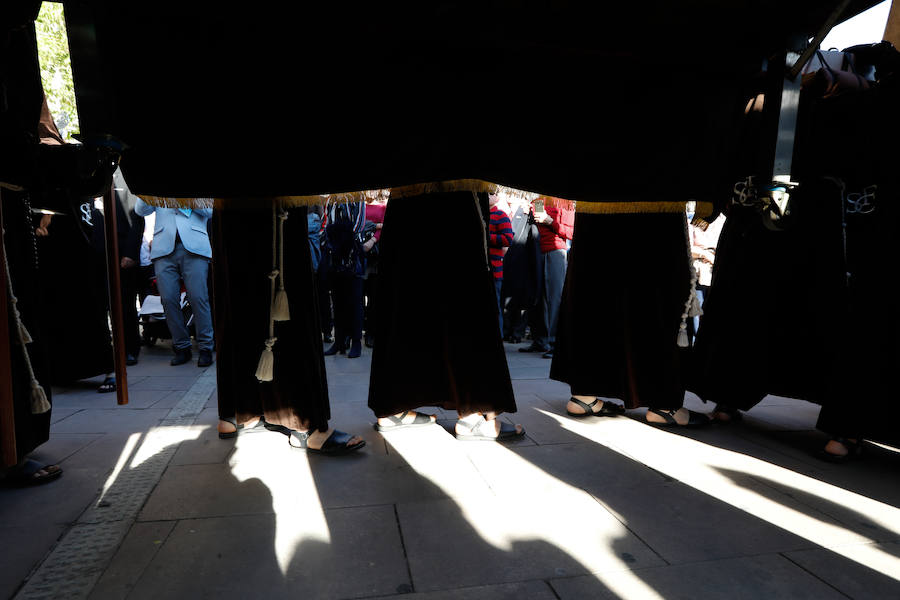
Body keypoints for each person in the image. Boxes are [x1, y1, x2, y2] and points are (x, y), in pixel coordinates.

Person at [369, 191, 525, 441]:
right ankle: (471, 413)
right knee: (461, 288)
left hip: (407, 193)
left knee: (407, 292)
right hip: (452, 188)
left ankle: (393, 404)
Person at [211, 201, 364, 455]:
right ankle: (305, 424)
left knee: (238, 292)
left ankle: (239, 411)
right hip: (273, 203)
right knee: (288, 296)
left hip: (229, 203)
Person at [551, 209, 710, 427]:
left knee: (594, 290)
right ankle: (664, 404)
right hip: (654, 201)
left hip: (595, 197)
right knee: (656, 290)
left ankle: (584, 394)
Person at [134, 198, 214, 367]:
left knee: (198, 298)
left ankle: (206, 346)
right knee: (168, 300)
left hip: (194, 246)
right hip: (164, 248)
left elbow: (210, 210)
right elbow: (140, 210)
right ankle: (181, 347)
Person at [518, 197, 574, 358]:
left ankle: (555, 342)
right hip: (535, 252)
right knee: (537, 298)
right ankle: (541, 340)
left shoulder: (565, 202)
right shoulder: (538, 201)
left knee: (554, 298)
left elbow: (570, 232)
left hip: (555, 251)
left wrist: (550, 221)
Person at [322, 199, 366, 358]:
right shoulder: (330, 200)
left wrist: (342, 242)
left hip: (351, 255)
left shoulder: (357, 196)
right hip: (334, 255)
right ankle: (339, 341)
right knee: (338, 300)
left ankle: (356, 342)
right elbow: (326, 221)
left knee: (355, 302)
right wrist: (331, 243)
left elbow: (359, 224)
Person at [361, 192, 386, 348]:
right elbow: (359, 224)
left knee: (373, 298)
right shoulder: (359, 204)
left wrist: (373, 239)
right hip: (360, 252)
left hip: (375, 255)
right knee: (358, 298)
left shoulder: (383, 205)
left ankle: (371, 333)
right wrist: (375, 225)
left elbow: (384, 226)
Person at [487, 192, 513, 334]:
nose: (489, 197)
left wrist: (486, 236)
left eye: (492, 194)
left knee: (495, 305)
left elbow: (508, 239)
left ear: (497, 197)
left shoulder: (501, 215)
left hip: (495, 269)